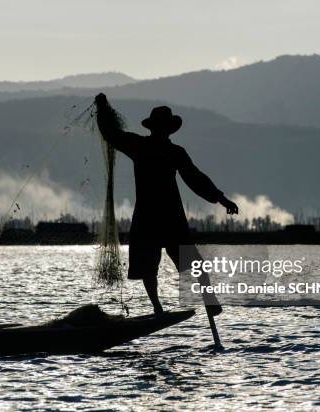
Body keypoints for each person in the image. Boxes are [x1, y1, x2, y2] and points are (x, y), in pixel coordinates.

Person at [95, 93, 238, 315]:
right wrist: (103, 109)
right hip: (158, 217)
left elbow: (196, 178)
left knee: (178, 264)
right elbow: (112, 134)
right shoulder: (153, 148)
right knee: (153, 267)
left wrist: (221, 198)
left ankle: (201, 301)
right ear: (164, 129)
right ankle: (164, 307)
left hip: (159, 217)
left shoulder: (153, 148)